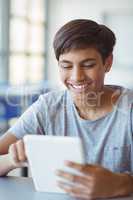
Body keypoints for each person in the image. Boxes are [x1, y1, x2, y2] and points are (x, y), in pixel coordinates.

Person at [0, 19, 133, 199]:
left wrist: (121, 183)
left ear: (107, 63)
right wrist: (10, 160)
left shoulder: (129, 109)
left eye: (88, 65)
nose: (76, 76)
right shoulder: (47, 107)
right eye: (66, 66)